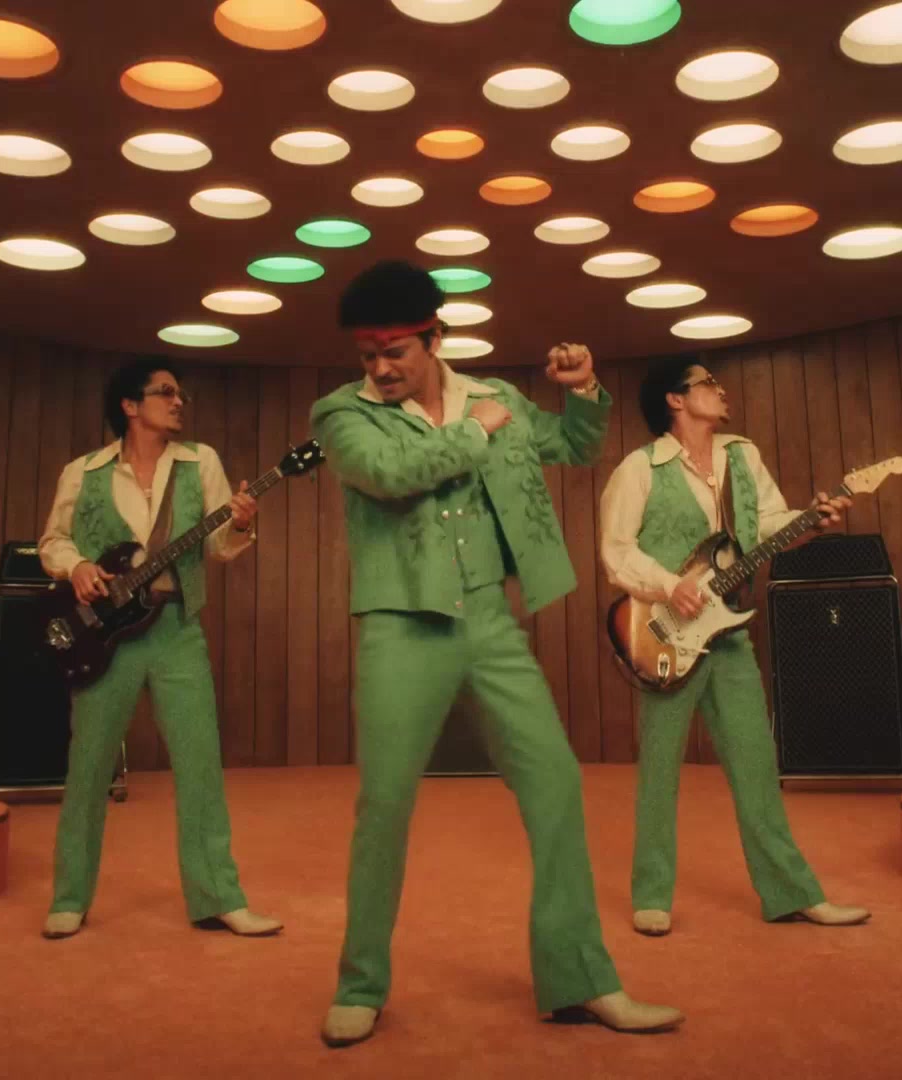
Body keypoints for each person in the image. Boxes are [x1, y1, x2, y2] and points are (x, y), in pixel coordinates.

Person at [310, 260, 682, 1049]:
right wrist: (474, 431)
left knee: (556, 782)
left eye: (394, 352)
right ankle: (360, 984)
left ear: (433, 337)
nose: (380, 368)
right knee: (385, 804)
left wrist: (582, 391)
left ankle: (581, 980)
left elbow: (573, 447)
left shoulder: (496, 395)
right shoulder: (341, 413)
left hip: (489, 619)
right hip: (399, 623)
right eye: (368, 354)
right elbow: (388, 474)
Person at [599, 357, 871, 937]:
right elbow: (617, 552)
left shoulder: (742, 456)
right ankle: (651, 895)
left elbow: (768, 524)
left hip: (728, 635)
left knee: (756, 764)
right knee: (660, 770)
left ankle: (791, 893)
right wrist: (670, 586)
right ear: (676, 400)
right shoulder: (639, 468)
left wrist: (810, 521)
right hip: (667, 636)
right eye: (708, 384)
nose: (721, 391)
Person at [35, 360, 281, 941]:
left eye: (180, 394)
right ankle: (69, 897)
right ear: (129, 405)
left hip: (176, 627)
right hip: (105, 635)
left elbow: (219, 547)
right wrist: (78, 566)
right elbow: (53, 541)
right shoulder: (83, 471)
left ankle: (218, 897)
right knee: (88, 766)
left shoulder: (201, 462)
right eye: (165, 392)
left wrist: (241, 523)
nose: (178, 401)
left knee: (200, 765)